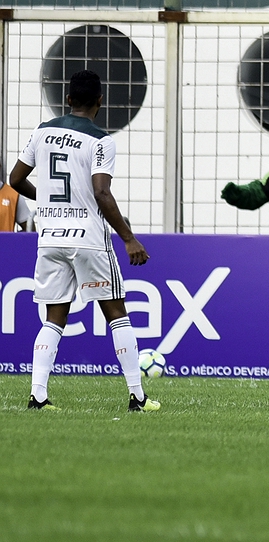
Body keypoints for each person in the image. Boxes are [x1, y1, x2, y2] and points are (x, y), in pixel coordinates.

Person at [8, 70, 160, 412]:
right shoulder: (101, 141)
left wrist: (45, 198)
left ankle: (38, 396)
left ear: (68, 99)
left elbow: (15, 179)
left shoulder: (42, 132)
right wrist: (129, 238)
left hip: (50, 237)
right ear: (100, 102)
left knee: (53, 318)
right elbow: (101, 192)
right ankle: (137, 397)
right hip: (88, 239)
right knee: (116, 314)